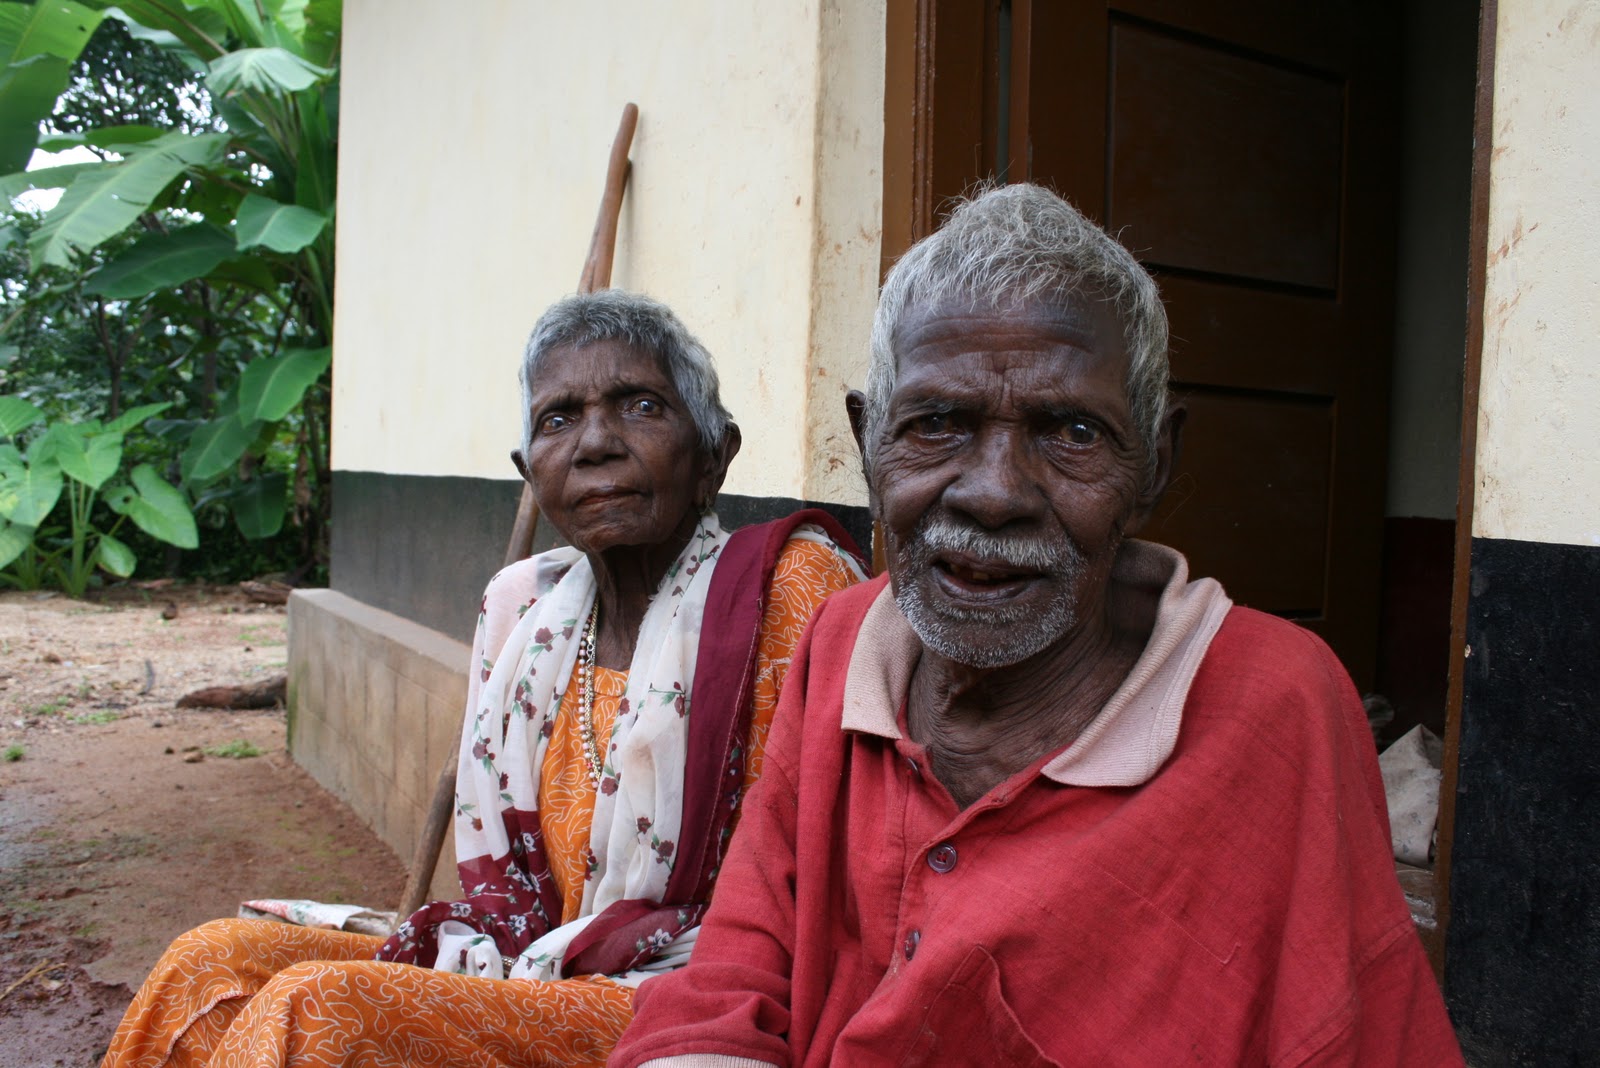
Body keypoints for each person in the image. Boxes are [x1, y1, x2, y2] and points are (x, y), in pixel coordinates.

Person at [611, 185, 1465, 1066]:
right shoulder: (842, 644)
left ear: (1156, 465)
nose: (993, 492)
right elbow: (736, 970)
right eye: (937, 423)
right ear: (869, 443)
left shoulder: (1276, 703)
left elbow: (1356, 1035)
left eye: (1071, 433)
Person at [102, 291, 865, 1068]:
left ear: (714, 456)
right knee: (212, 961)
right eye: (558, 419)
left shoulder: (790, 589)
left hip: (693, 1002)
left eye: (640, 405)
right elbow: (514, 905)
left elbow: (836, 878)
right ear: (529, 471)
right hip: (532, 960)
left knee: (321, 1010)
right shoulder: (524, 609)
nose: (595, 443)